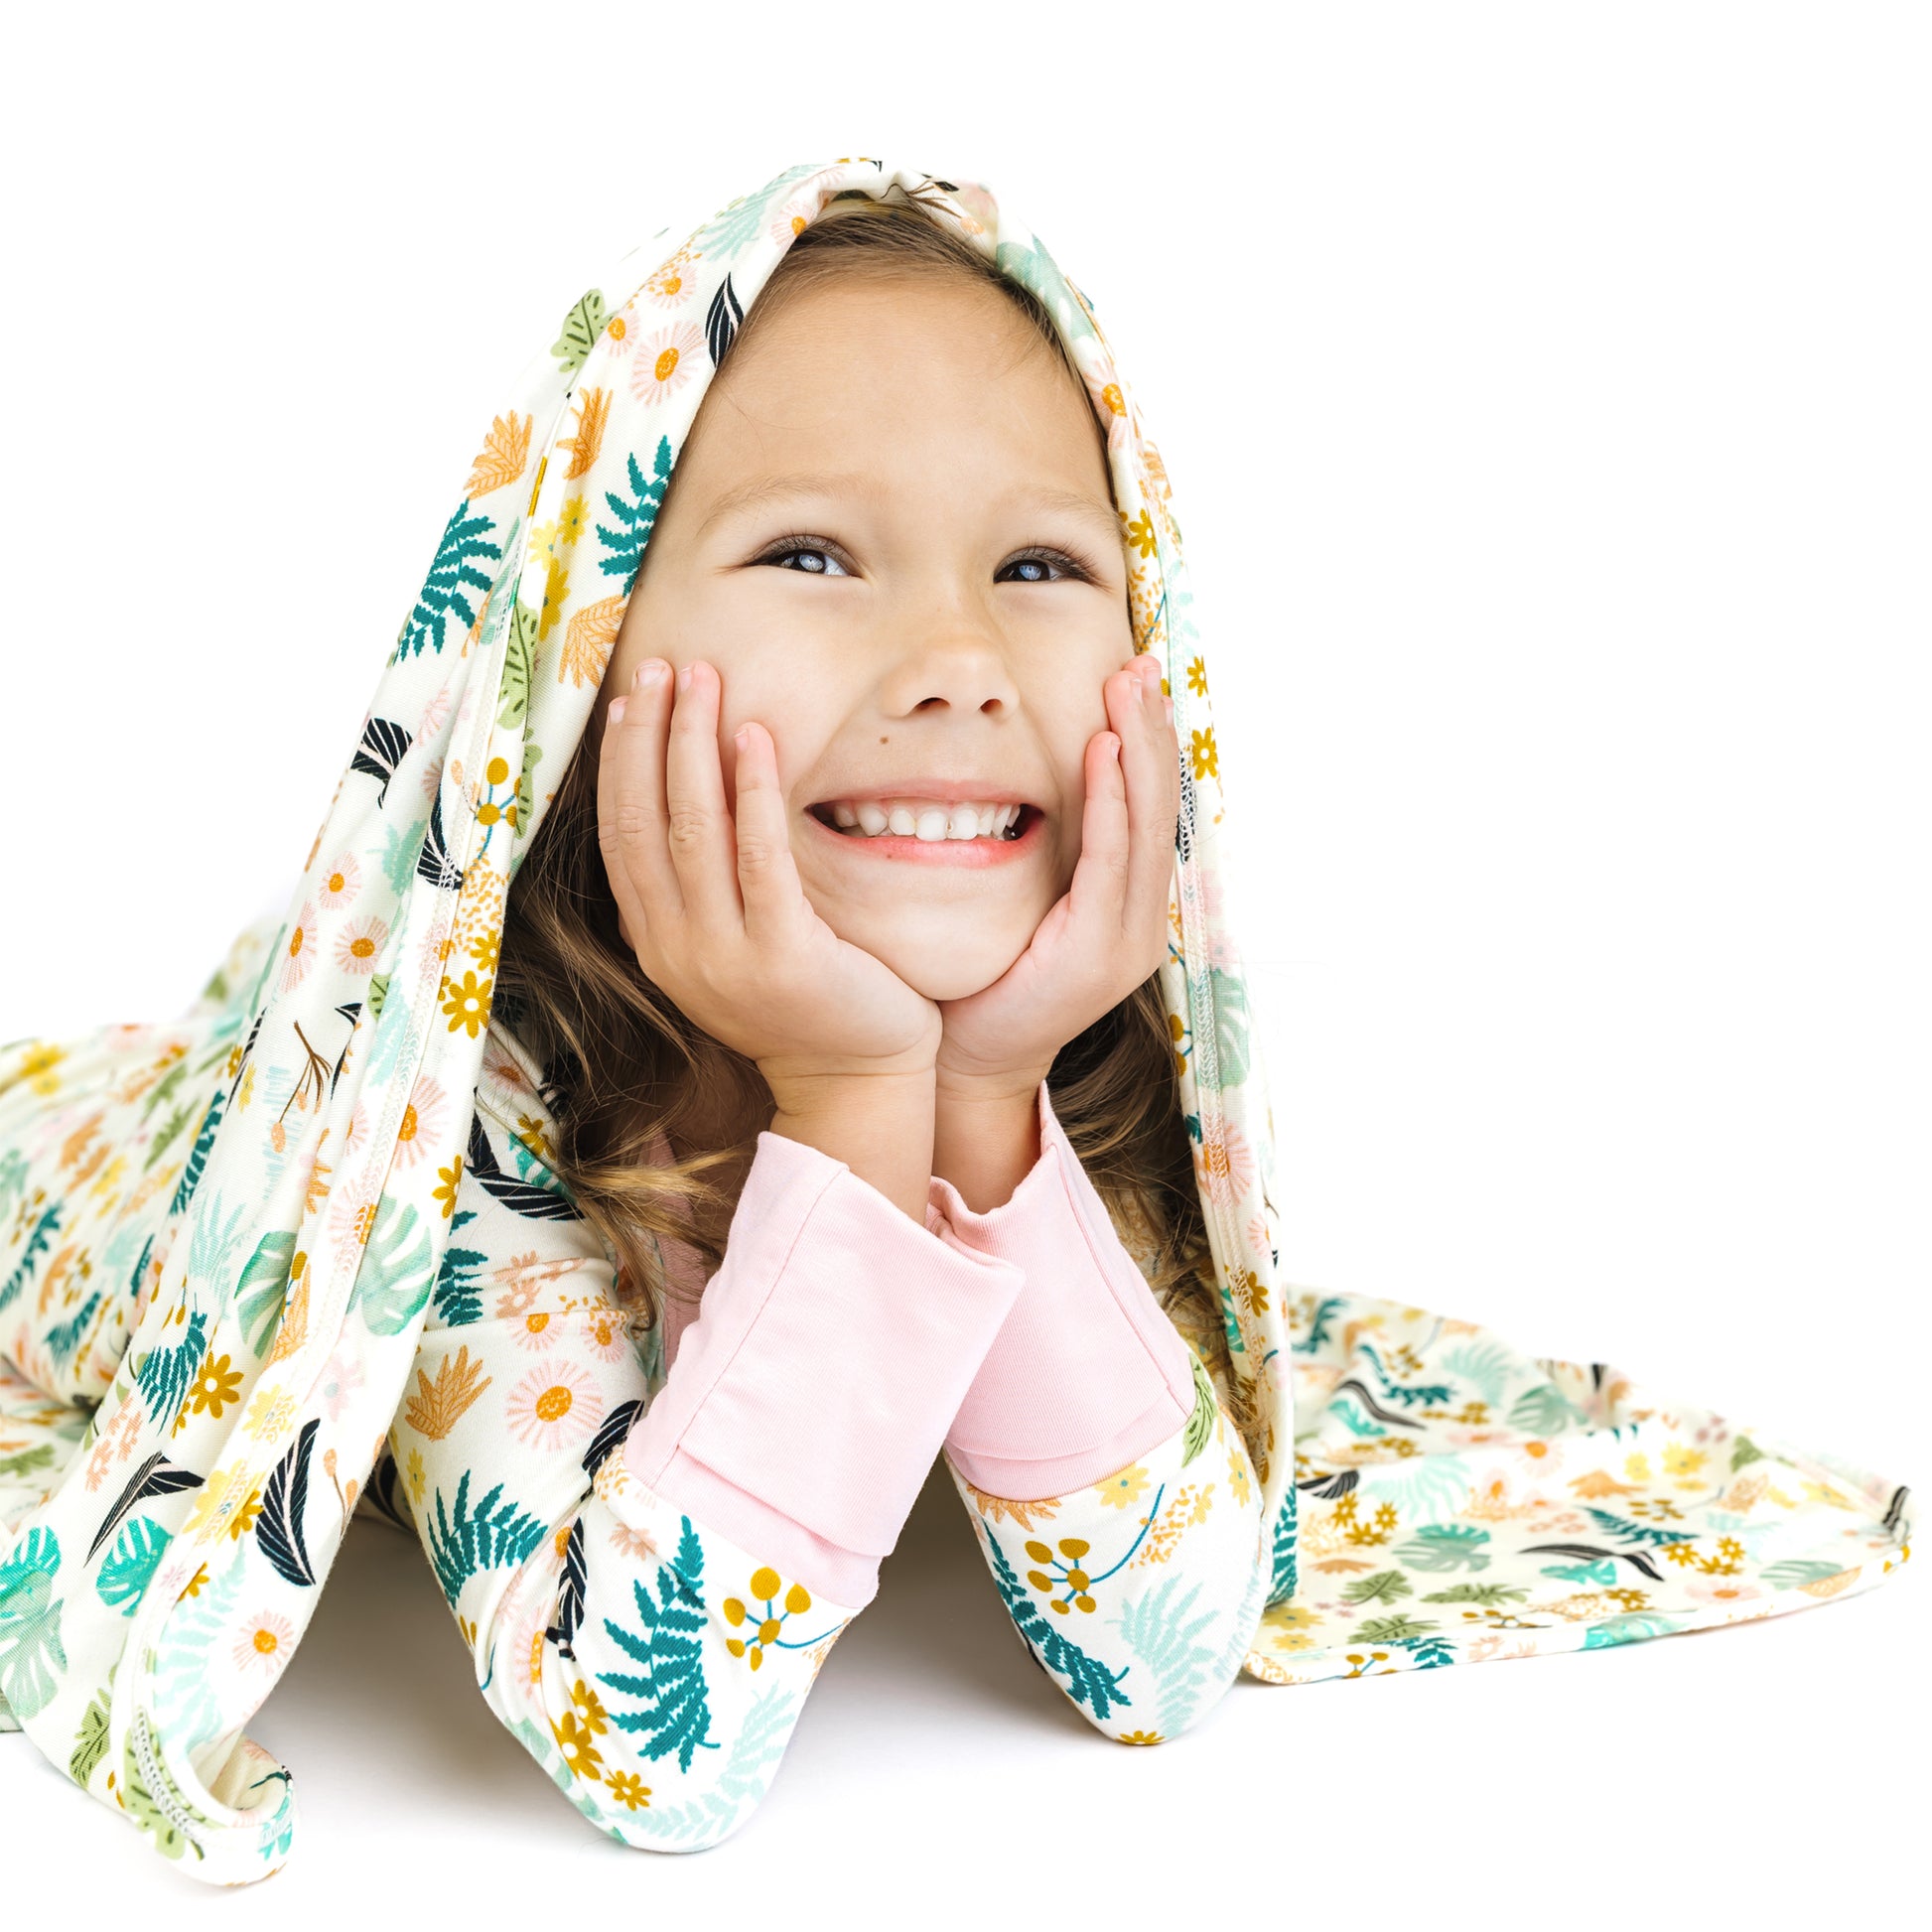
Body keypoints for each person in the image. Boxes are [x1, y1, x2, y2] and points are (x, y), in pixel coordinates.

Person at [0, 159, 1912, 1885]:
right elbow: (649, 1751)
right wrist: (847, 1092)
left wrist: (978, 1092)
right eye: (812, 554)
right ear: (585, 654)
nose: (955, 663)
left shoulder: (1065, 1037)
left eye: (1039, 568)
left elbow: (1159, 1658)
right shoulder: (452, 1116)